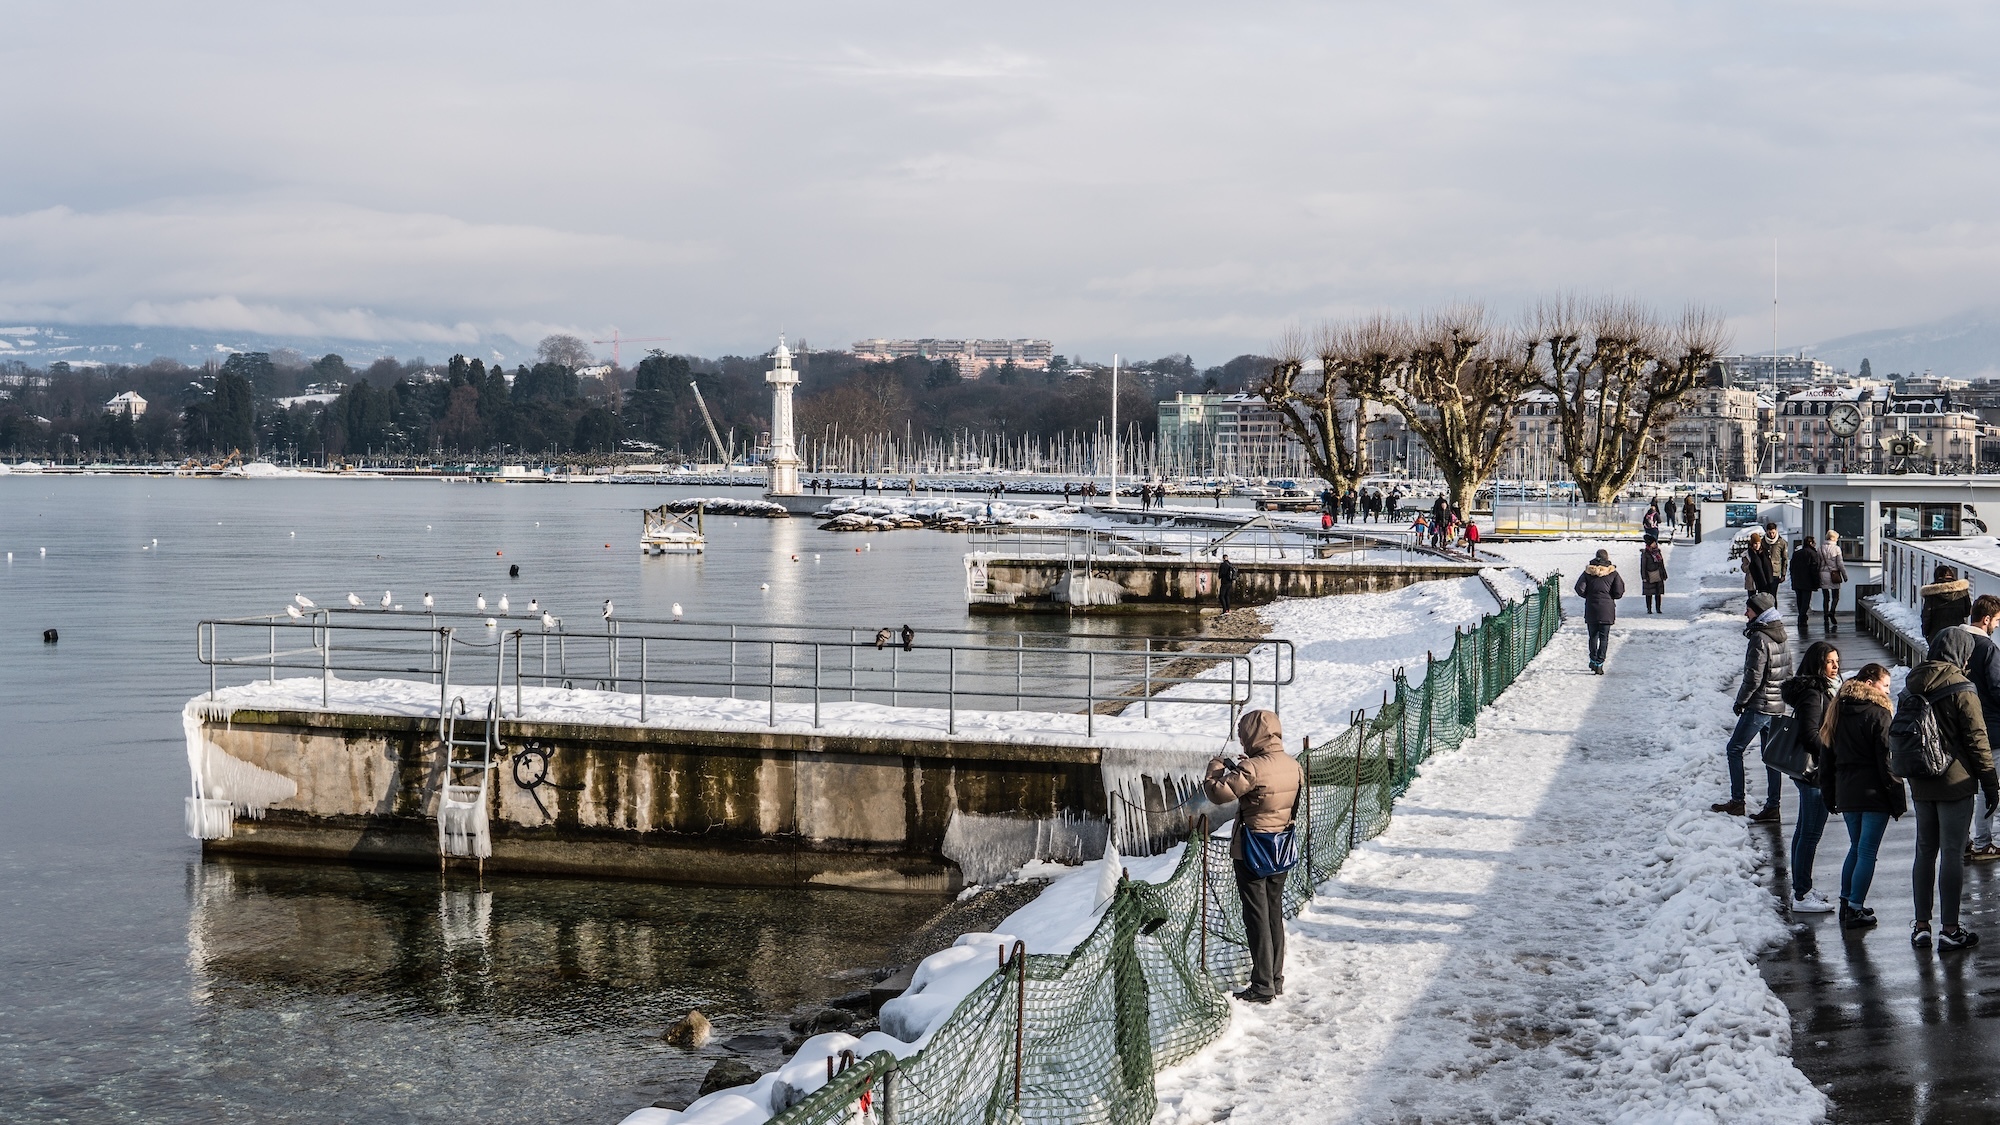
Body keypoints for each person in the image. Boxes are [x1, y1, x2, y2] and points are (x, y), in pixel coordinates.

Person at [1903, 628, 1998, 950]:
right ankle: (1950, 929)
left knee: (1924, 851)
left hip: (1921, 778)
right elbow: (1977, 739)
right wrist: (1990, 783)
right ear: (1960, 653)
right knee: (1952, 854)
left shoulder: (1912, 683)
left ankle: (1921, 927)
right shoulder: (1961, 687)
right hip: (1955, 781)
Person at [1202, 709, 1303, 1004]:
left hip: (1252, 850)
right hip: (1280, 847)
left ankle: (1262, 986)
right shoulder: (1293, 764)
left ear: (1253, 735)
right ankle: (1275, 978)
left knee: (1256, 917)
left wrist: (1215, 768)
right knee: (1273, 912)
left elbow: (1217, 793)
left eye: (1244, 734)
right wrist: (1248, 767)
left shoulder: (1252, 768)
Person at [1825, 662, 1901, 930]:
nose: (1888, 691)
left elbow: (1826, 756)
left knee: (1856, 847)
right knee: (1867, 851)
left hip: (1847, 790)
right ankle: (1855, 908)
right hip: (1873, 792)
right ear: (1870, 683)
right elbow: (1886, 760)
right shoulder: (1879, 713)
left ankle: (1847, 902)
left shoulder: (1838, 709)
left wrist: (1829, 793)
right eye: (1885, 685)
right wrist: (1896, 796)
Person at [1713, 591, 1792, 822]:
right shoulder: (1781, 634)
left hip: (1760, 705)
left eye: (1748, 610)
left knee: (1734, 749)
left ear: (1759, 612)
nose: (1745, 613)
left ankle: (1737, 802)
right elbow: (1788, 671)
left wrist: (1741, 701)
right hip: (1777, 705)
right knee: (1771, 757)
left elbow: (1753, 677)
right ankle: (1773, 807)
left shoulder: (1760, 637)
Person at [1779, 641, 1841, 913]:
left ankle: (1802, 885)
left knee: (1804, 831)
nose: (1835, 666)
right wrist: (1832, 755)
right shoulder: (1814, 694)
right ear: (1818, 664)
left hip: (1811, 772)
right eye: (1829, 662)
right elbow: (1809, 734)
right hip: (1815, 772)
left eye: (1836, 661)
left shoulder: (1817, 690)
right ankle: (1802, 895)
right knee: (1811, 833)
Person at [1957, 595, 2000, 863]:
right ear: (1986, 619)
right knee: (1989, 787)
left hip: (1959, 727)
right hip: (1990, 729)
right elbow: (1997, 688)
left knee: (1963, 788)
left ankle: (1962, 841)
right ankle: (1983, 843)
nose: (1997, 625)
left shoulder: (1954, 641)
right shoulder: (1988, 648)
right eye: (1997, 620)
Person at [1574, 548, 1625, 675]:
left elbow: (1579, 588)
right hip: (1607, 609)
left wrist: (1589, 596)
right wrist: (1610, 597)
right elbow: (1619, 591)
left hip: (1591, 607)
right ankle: (1599, 664)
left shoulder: (1588, 572)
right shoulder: (1613, 573)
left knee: (1593, 636)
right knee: (1604, 637)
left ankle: (1592, 659)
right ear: (1607, 558)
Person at [1921, 564, 1971, 640]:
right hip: (1958, 634)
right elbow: (1967, 612)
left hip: (1937, 636)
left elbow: (1926, 617)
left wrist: (1926, 633)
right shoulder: (1962, 591)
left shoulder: (1931, 594)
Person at [1790, 534, 1823, 637]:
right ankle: (1802, 618)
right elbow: (1814, 569)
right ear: (1811, 543)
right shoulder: (1813, 554)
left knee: (1799, 600)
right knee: (1806, 601)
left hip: (1797, 580)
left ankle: (1802, 617)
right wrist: (1817, 582)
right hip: (1807, 581)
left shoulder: (1796, 553)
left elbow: (1792, 567)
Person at [1818, 531, 1849, 633]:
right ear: (1833, 538)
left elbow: (1818, 563)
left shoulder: (1820, 548)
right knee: (1836, 596)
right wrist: (1844, 575)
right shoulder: (1836, 549)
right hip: (1834, 575)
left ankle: (1825, 615)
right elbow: (1840, 564)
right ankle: (1832, 612)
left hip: (1823, 574)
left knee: (1826, 597)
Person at [1639, 532, 1668, 614]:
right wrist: (1644, 577)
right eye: (1654, 542)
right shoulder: (1645, 554)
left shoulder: (1658, 552)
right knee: (1649, 593)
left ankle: (1658, 608)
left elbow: (1662, 564)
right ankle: (1649, 609)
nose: (1655, 544)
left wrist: (1664, 574)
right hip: (1649, 575)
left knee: (1658, 593)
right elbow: (1643, 566)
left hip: (1658, 574)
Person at [1742, 531, 1777, 596]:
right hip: (1752, 582)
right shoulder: (1747, 554)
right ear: (1752, 544)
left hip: (1765, 581)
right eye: (1755, 543)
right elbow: (1744, 568)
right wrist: (1751, 566)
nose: (1757, 545)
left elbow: (1769, 567)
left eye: (1759, 543)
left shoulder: (1765, 553)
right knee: (1752, 599)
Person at [1764, 522, 1789, 589]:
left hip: (1775, 572)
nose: (1772, 535)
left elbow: (1785, 559)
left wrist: (1783, 574)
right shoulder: (1763, 542)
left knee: (1773, 592)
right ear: (1767, 531)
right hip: (1764, 572)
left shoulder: (1781, 542)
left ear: (1776, 531)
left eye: (1773, 533)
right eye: (1770, 533)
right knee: (1764, 593)